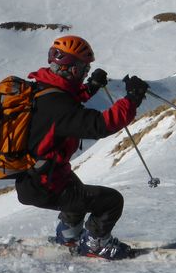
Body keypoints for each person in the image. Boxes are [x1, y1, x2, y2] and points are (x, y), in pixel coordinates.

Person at [17, 35, 149, 259]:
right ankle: (96, 245)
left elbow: (67, 100)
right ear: (71, 68)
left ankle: (69, 236)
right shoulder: (57, 105)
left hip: (38, 178)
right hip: (44, 185)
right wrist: (132, 99)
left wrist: (92, 87)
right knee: (111, 201)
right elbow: (100, 125)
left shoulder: (42, 88)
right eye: (83, 67)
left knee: (76, 194)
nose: (86, 71)